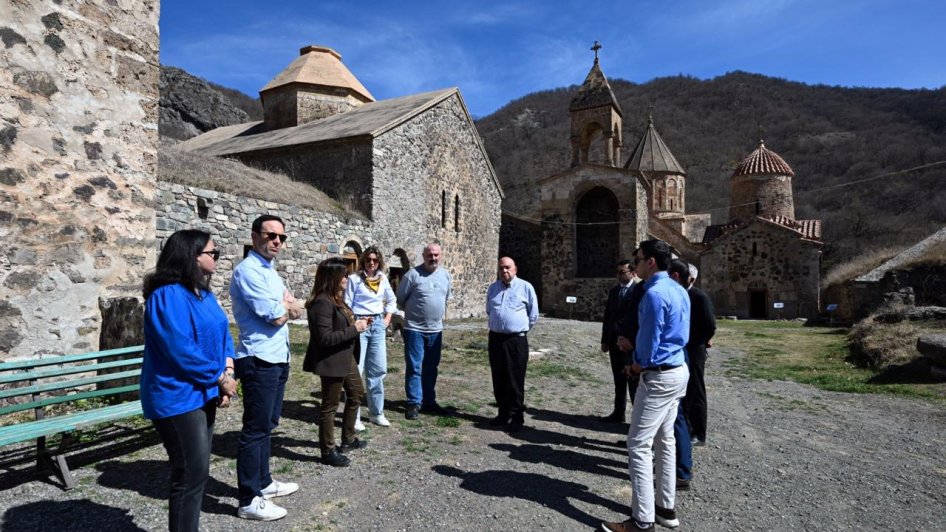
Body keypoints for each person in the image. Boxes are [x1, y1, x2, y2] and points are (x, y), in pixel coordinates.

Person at [141, 229, 238, 532]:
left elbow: (222, 334)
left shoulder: (204, 294)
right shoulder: (167, 295)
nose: (217, 259)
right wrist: (219, 378)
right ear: (191, 256)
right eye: (213, 253)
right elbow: (180, 348)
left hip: (204, 391)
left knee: (197, 472)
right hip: (177, 396)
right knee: (190, 473)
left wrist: (228, 372)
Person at [603, 240, 690, 532]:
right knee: (665, 440)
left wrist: (636, 363)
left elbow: (651, 342)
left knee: (638, 444)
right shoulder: (679, 289)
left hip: (658, 374)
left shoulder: (653, 294)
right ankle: (665, 508)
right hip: (678, 369)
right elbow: (675, 334)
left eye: (637, 259)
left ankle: (642, 521)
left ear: (650, 262)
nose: (635, 263)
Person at [230, 214, 302, 521]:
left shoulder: (270, 272)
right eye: (271, 235)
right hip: (258, 358)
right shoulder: (248, 271)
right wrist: (287, 307)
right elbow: (274, 315)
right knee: (255, 429)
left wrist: (288, 307)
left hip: (277, 356)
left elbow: (294, 306)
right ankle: (248, 498)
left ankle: (264, 482)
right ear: (254, 235)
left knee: (268, 424)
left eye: (281, 237)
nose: (277, 241)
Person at [303, 257, 369, 467]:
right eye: (344, 274)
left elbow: (343, 325)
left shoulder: (335, 299)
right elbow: (325, 338)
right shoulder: (321, 302)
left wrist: (360, 323)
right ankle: (327, 450)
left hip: (345, 357)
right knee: (330, 406)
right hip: (331, 360)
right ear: (333, 276)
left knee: (357, 394)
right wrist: (354, 329)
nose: (347, 278)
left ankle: (348, 439)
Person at [397, 242, 452, 420]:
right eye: (430, 255)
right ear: (424, 256)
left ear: (440, 256)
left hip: (435, 330)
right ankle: (414, 402)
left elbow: (445, 298)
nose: (433, 258)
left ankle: (429, 401)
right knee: (414, 367)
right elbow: (401, 299)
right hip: (414, 329)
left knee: (431, 367)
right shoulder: (412, 275)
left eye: (436, 255)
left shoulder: (445, 276)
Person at [345, 246, 398, 428]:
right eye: (369, 260)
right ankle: (355, 417)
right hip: (360, 324)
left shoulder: (383, 279)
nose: (372, 263)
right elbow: (347, 304)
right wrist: (355, 324)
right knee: (357, 371)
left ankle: (376, 413)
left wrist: (387, 318)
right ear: (363, 261)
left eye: (375, 260)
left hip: (377, 326)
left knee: (378, 370)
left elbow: (391, 300)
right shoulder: (354, 279)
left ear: (379, 262)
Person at [485, 257, 539, 432]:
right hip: (495, 339)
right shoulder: (493, 289)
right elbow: (489, 310)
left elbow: (533, 314)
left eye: (508, 268)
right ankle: (503, 413)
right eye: (501, 268)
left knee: (515, 379)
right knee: (498, 377)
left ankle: (517, 416)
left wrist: (518, 329)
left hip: (516, 340)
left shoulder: (525, 287)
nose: (504, 271)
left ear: (515, 269)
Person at [600, 260, 640, 422]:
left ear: (632, 273)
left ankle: (636, 417)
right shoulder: (614, 291)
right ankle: (618, 412)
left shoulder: (637, 292)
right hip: (614, 341)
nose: (618, 275)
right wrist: (605, 340)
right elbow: (608, 317)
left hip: (629, 345)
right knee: (618, 379)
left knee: (632, 381)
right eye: (617, 272)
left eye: (622, 272)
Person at [683, 263, 716, 448]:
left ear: (692, 279)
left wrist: (702, 341)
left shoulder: (699, 297)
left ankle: (699, 432)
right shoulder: (681, 295)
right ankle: (686, 427)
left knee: (696, 389)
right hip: (684, 348)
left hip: (695, 349)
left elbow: (710, 325)